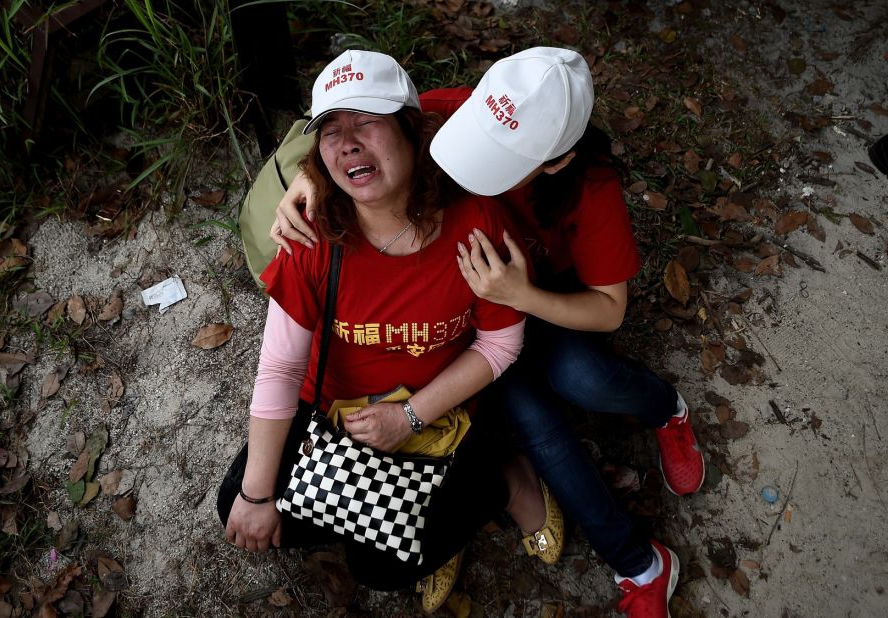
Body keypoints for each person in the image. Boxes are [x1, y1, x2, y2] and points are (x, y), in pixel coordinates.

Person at [268, 47, 705, 618]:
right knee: (535, 423)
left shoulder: (588, 188)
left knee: (581, 377)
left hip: (542, 305)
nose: (472, 167)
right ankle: (639, 563)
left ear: (554, 162)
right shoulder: (459, 111)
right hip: (469, 313)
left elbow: (608, 311)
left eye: (501, 160)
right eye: (477, 138)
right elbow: (359, 131)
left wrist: (522, 297)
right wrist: (305, 178)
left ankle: (665, 412)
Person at [217, 49, 560, 613]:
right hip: (333, 416)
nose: (347, 143)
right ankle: (409, 513)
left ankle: (508, 479)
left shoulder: (473, 223)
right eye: (331, 130)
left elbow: (501, 342)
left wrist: (410, 416)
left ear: (410, 130)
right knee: (241, 500)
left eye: (366, 122)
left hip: (438, 412)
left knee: (381, 566)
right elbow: (280, 368)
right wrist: (258, 494)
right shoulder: (312, 235)